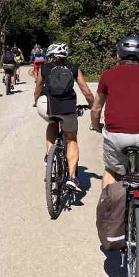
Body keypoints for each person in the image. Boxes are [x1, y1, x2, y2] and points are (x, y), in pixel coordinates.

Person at [90, 35, 139, 246]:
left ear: (118, 55)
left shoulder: (108, 76)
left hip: (117, 136)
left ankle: (110, 212)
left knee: (112, 170)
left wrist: (96, 125)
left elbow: (96, 108)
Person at [34, 43, 94, 191]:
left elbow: (38, 88)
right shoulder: (73, 68)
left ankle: (49, 155)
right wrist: (92, 105)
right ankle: (72, 178)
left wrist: (36, 101)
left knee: (52, 123)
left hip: (50, 107)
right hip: (68, 109)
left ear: (51, 55)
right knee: (72, 139)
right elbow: (85, 90)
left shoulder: (45, 68)